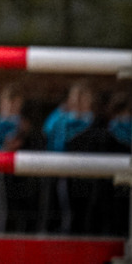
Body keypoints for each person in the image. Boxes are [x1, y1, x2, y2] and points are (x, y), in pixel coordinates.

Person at [38, 79, 94, 233]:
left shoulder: (93, 122)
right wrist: (59, 112)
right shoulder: (62, 118)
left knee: (79, 209)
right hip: (58, 168)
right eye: (75, 97)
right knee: (57, 205)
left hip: (83, 172)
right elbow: (47, 131)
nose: (77, 101)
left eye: (82, 97)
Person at [0, 83, 33, 233]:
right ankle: (0, 236)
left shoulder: (23, 124)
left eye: (16, 104)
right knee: (2, 207)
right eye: (9, 103)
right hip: (0, 170)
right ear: (2, 104)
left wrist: (25, 134)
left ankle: (18, 236)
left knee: (19, 205)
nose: (12, 108)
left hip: (19, 171)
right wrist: (6, 148)